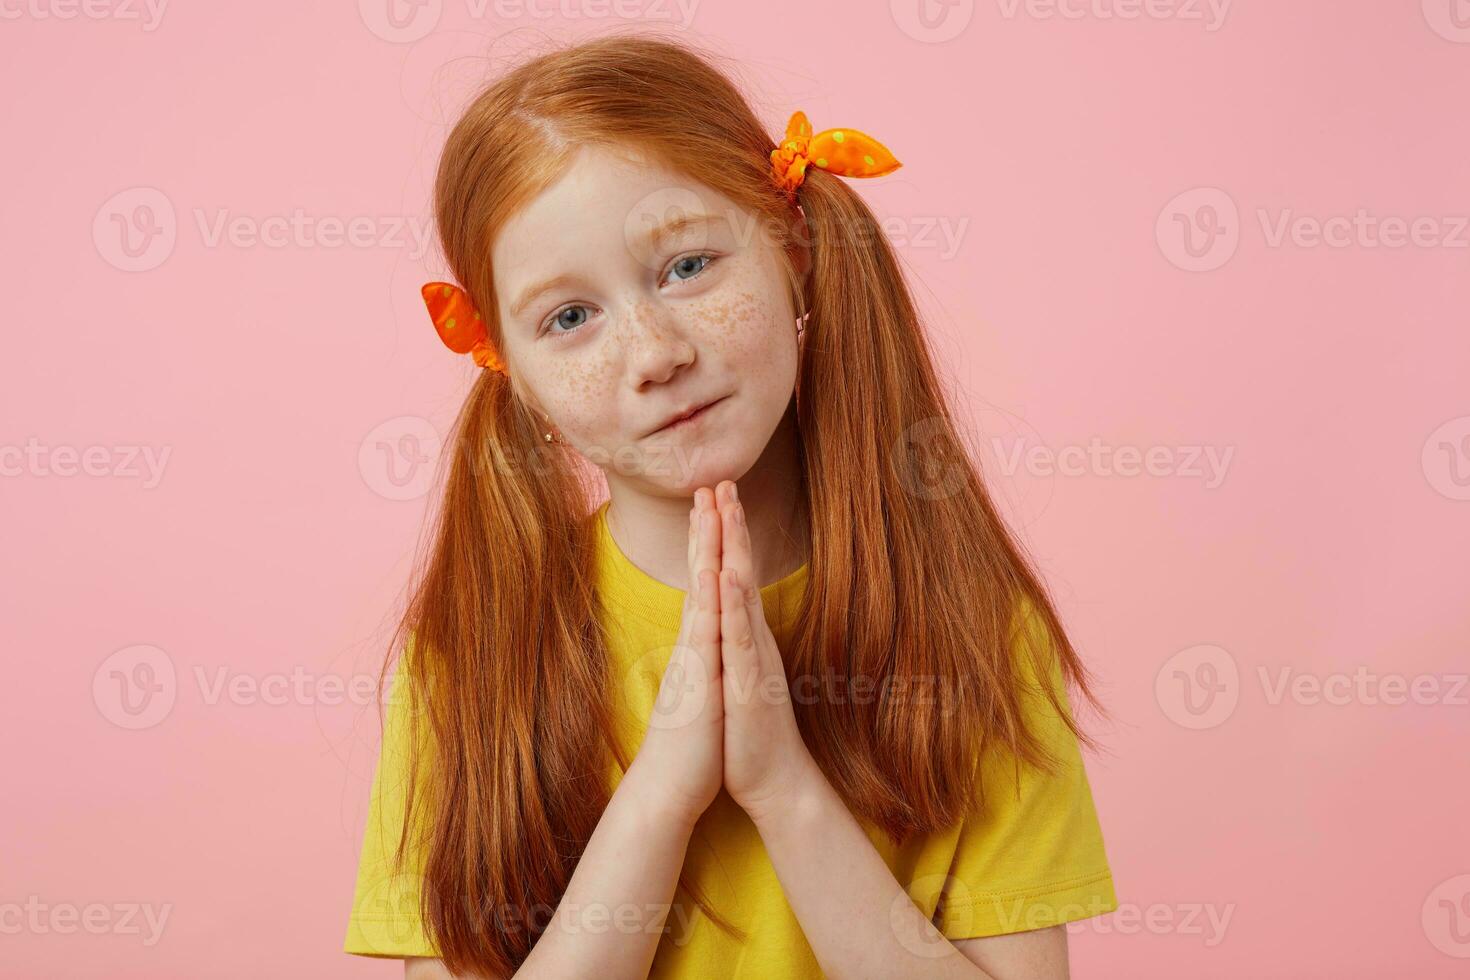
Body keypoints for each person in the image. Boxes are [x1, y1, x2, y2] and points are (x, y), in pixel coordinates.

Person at [343, 31, 1117, 979]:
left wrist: (785, 791)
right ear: (515, 373)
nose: (655, 352)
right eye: (570, 318)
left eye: (687, 267)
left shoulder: (977, 631)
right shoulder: (470, 654)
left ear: (790, 247)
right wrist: (661, 799)